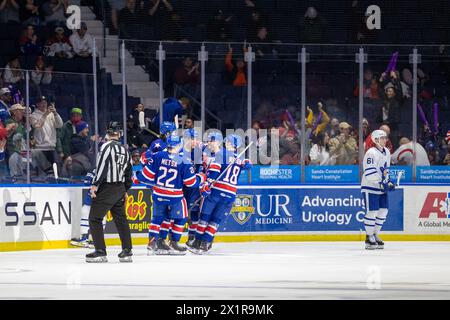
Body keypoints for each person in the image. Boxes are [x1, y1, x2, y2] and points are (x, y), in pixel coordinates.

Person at [135, 134, 206, 255]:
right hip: (175, 196)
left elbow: (146, 176)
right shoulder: (184, 160)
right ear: (179, 145)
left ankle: (153, 243)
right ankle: (174, 242)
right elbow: (190, 182)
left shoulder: (157, 156)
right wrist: (201, 177)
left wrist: (137, 176)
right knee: (182, 217)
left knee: (157, 218)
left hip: (158, 193)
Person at [189, 133, 252, 254]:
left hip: (216, 191)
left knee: (204, 218)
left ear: (228, 143)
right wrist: (247, 163)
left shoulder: (220, 154)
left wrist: (206, 185)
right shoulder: (239, 158)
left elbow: (213, 172)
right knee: (215, 221)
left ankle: (197, 243)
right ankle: (206, 243)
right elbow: (248, 166)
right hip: (230, 194)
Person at [86, 122, 133, 263]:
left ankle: (100, 251)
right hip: (119, 188)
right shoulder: (125, 150)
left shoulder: (106, 146)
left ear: (108, 133)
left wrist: (95, 185)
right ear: (119, 133)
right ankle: (127, 251)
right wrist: (125, 189)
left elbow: (102, 167)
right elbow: (128, 172)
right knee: (121, 220)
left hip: (107, 188)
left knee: (95, 218)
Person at [361, 130, 395, 250]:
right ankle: (368, 237)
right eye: (382, 138)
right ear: (376, 140)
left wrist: (388, 181)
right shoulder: (371, 153)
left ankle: (375, 234)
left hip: (381, 187)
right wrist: (380, 182)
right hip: (370, 187)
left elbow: (386, 170)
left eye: (386, 138)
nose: (385, 140)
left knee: (383, 211)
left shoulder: (387, 152)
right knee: (372, 211)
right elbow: (369, 172)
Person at [30, 96, 63, 174]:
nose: (44, 104)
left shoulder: (51, 114)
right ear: (37, 104)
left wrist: (55, 113)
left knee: (56, 172)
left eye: (45, 102)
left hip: (51, 147)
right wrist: (45, 114)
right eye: (41, 103)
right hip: (40, 148)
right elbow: (37, 126)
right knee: (44, 172)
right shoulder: (33, 115)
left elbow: (60, 124)